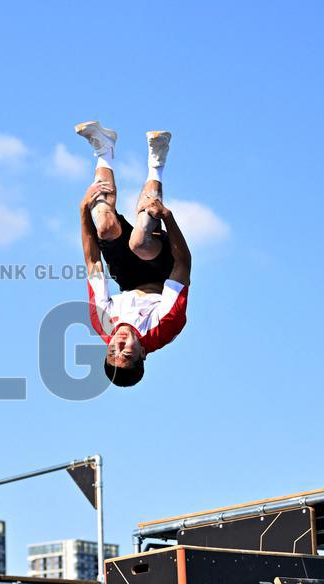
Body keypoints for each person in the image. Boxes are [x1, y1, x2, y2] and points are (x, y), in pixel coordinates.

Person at [76, 122, 192, 387]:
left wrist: (83, 210)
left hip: (128, 276)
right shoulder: (165, 327)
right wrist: (167, 217)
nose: (119, 344)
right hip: (164, 271)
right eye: (126, 353)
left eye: (112, 352)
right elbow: (183, 265)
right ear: (142, 354)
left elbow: (93, 263)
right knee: (140, 242)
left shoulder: (104, 324)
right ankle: (157, 162)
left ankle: (104, 149)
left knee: (103, 225)